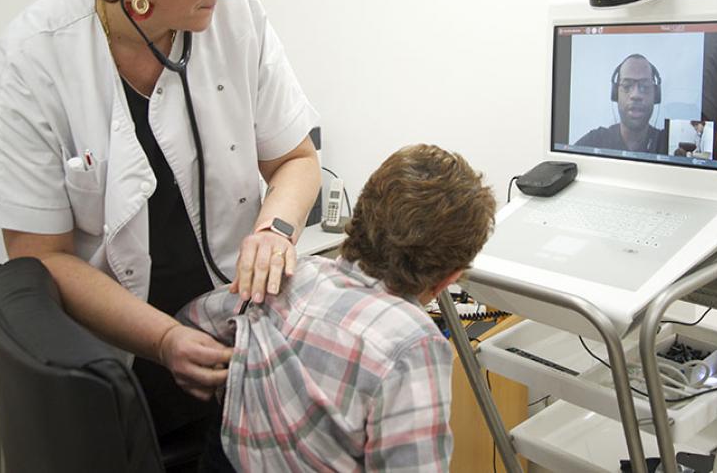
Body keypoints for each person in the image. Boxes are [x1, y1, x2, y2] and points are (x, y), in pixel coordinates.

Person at [0, 0, 321, 464]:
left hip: (235, 331)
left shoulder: (236, 16)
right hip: (118, 349)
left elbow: (295, 158)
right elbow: (38, 257)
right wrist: (164, 339)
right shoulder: (33, 59)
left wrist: (277, 229)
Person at [178, 144, 497, 472]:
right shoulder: (414, 345)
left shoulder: (290, 276)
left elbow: (191, 322)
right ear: (449, 279)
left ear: (359, 214)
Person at [576, 53, 666, 153]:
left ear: (656, 95)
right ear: (615, 94)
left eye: (644, 86)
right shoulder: (593, 143)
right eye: (627, 86)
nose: (635, 95)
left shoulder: (668, 145)